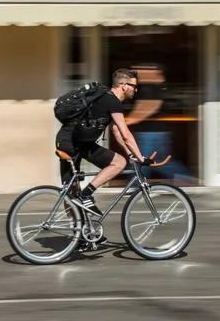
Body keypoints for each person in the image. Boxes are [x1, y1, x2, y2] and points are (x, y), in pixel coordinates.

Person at [55, 68, 153, 227]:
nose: (136, 90)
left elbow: (116, 131)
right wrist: (141, 157)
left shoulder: (107, 100)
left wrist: (131, 154)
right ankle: (85, 195)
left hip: (78, 143)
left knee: (72, 193)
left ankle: (82, 234)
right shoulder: (111, 100)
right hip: (70, 145)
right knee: (118, 164)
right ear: (123, 85)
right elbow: (125, 133)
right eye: (134, 86)